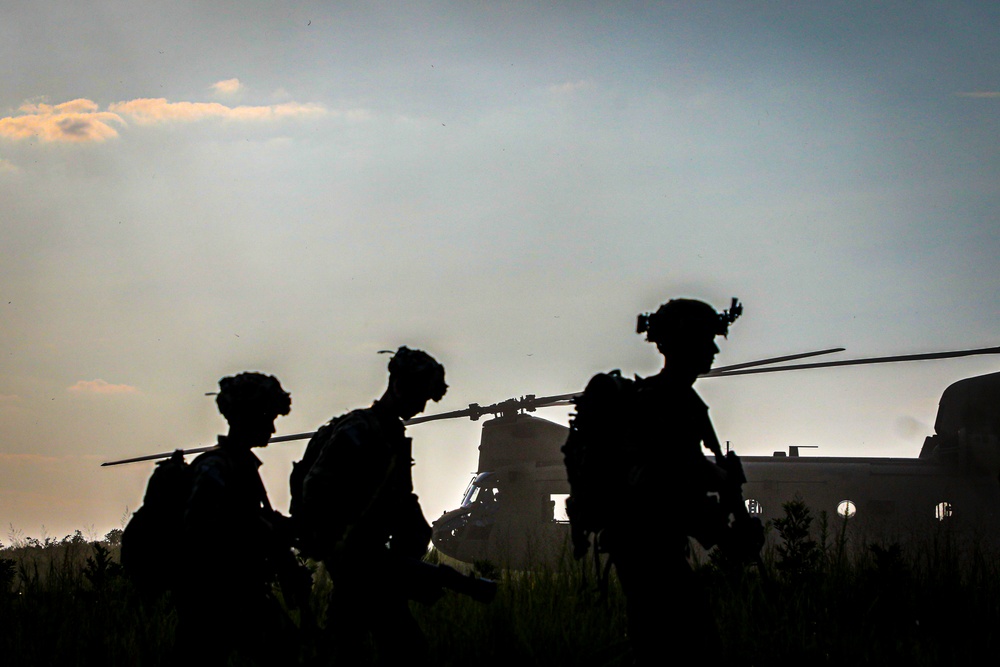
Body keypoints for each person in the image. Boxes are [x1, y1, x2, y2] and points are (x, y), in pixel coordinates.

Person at [612, 297, 742, 665]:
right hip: (648, 548)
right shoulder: (664, 401)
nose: (715, 349)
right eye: (706, 340)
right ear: (683, 343)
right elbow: (671, 478)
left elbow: (686, 471)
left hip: (653, 547)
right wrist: (723, 528)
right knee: (683, 650)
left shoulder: (679, 400)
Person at [301, 346, 447, 666]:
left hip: (375, 561)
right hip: (357, 561)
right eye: (419, 395)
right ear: (397, 386)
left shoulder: (391, 434)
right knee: (397, 648)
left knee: (358, 644)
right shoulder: (360, 430)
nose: (422, 406)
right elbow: (316, 488)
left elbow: (401, 502)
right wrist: (342, 547)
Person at [175, 371, 295, 666]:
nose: (273, 428)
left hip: (237, 594)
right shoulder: (216, 467)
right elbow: (198, 532)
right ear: (248, 417)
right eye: (268, 418)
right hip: (215, 599)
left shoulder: (241, 466)